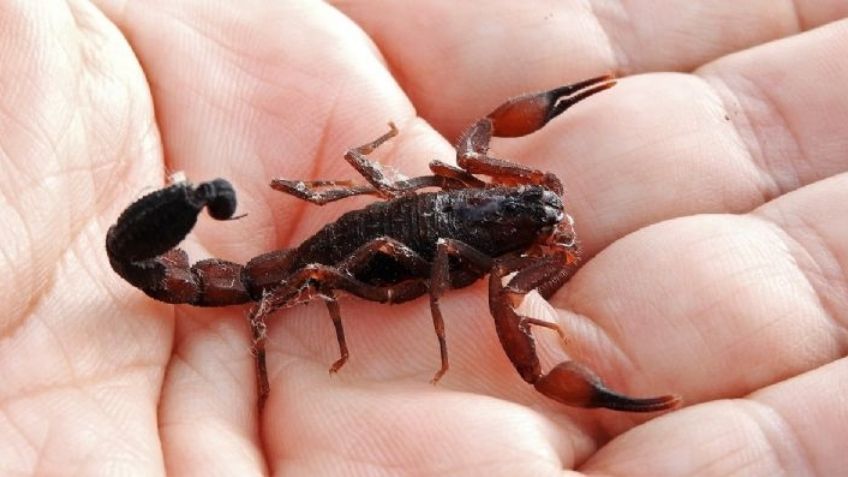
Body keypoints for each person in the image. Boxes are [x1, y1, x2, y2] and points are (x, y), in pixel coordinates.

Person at [1, 1, 846, 475]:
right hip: (356, 248)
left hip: (392, 222)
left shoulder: (506, 214)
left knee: (418, 238)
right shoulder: (510, 245)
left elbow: (476, 148)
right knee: (409, 249)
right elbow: (509, 296)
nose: (554, 220)